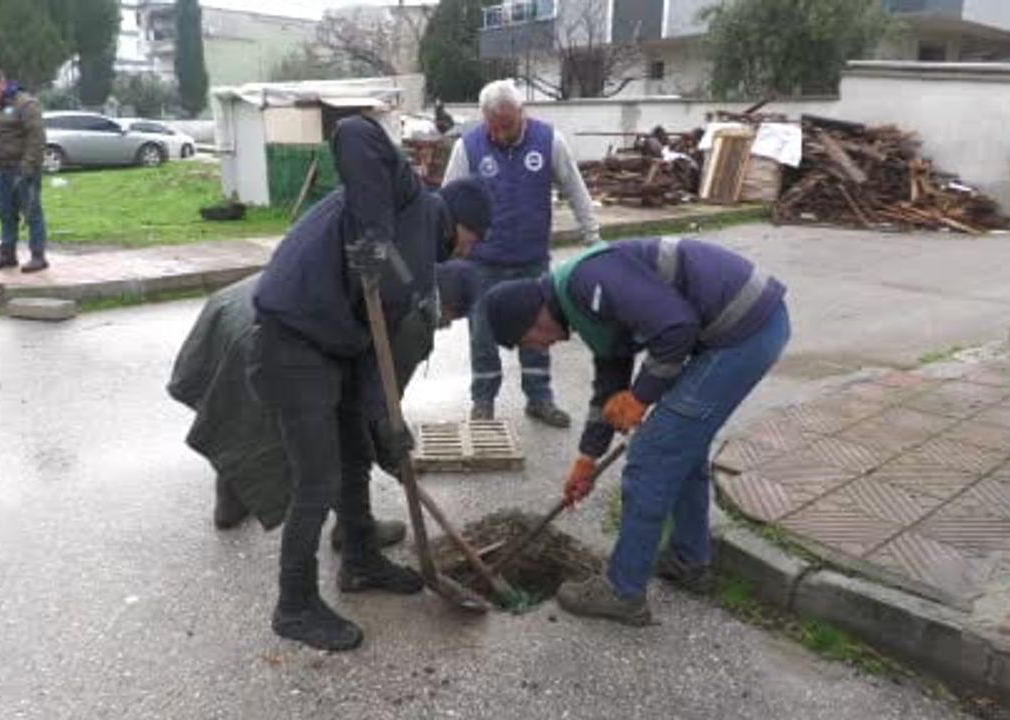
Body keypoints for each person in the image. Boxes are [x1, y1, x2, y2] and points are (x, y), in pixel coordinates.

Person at [249, 112, 493, 652]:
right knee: (317, 477)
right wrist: (377, 235)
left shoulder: (419, 273)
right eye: (474, 241)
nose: (469, 252)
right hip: (293, 335)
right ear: (462, 224)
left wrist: (385, 420)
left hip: (334, 341)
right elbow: (354, 132)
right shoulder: (410, 201)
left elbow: (371, 350)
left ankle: (358, 559)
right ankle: (294, 606)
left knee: (356, 447)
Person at [482, 236, 789, 626]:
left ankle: (623, 592)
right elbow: (609, 388)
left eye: (530, 340)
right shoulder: (583, 303)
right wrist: (586, 460)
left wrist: (642, 397)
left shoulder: (585, 282)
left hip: (743, 330)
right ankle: (688, 561)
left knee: (651, 457)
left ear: (534, 314)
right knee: (682, 449)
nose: (541, 347)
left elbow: (676, 328)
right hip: (747, 328)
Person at [167, 260, 482, 544]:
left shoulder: (403, 265)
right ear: (451, 306)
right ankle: (354, 528)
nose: (447, 326)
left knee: (242, 413)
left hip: (234, 306)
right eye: (453, 319)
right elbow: (376, 407)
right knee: (340, 433)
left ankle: (231, 503)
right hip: (271, 334)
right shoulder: (415, 318)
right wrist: (394, 453)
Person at [443, 79, 601, 428]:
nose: (499, 135)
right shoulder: (467, 147)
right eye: (493, 127)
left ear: (522, 113)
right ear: (484, 119)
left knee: (538, 332)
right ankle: (483, 401)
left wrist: (593, 238)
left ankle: (539, 399)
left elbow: (575, 189)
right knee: (482, 334)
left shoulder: (549, 142)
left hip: (533, 261)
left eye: (507, 126)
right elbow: (447, 203)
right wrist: (445, 252)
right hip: (482, 264)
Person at [0, 66, 49, 273]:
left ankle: (38, 256)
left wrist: (28, 166)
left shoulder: (26, 104)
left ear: (2, 83)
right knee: (5, 213)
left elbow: (37, 138)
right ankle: (7, 255)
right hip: (1, 170)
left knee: (32, 213)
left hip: (22, 170)